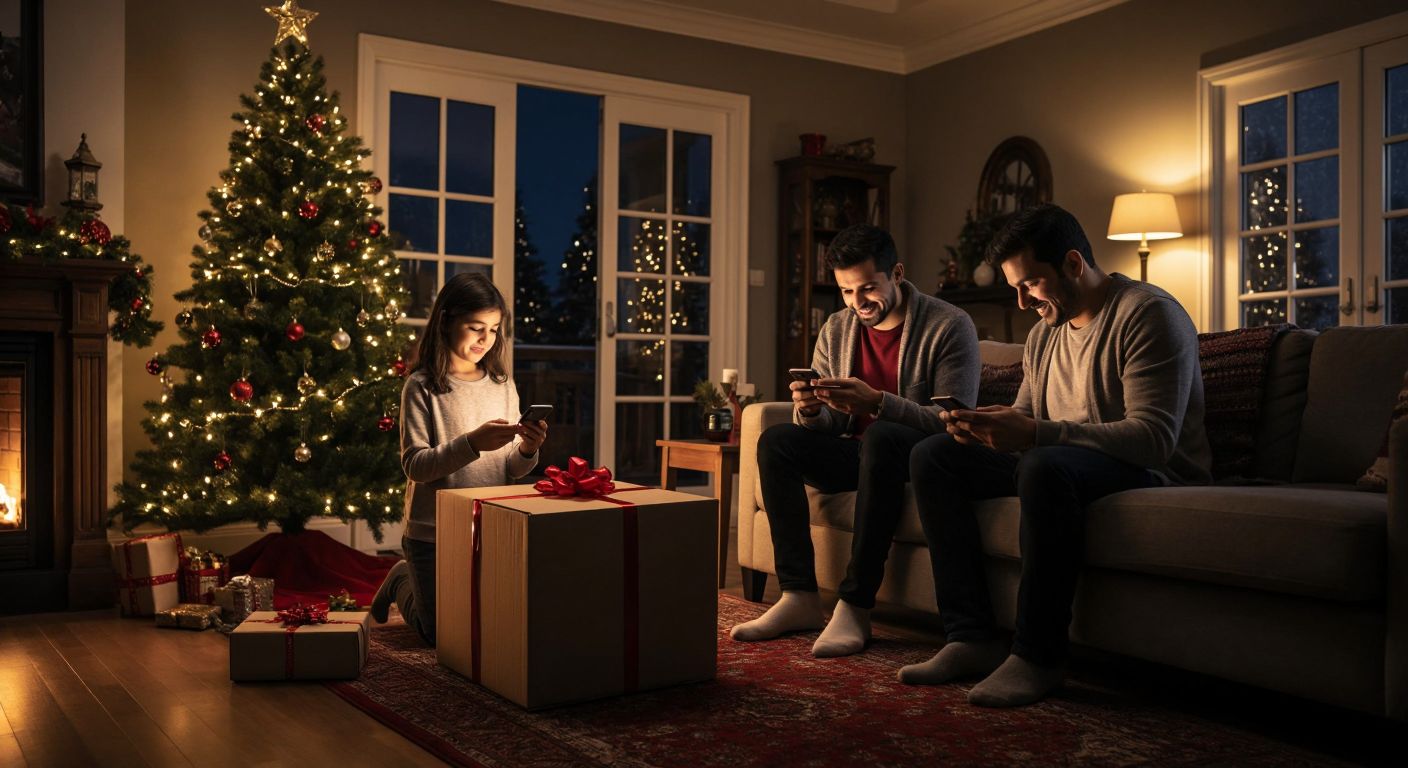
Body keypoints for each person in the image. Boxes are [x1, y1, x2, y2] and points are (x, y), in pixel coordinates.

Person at [899, 203, 1211, 706]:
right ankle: (970, 636)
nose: (1022, 302)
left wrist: (1036, 433)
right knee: (935, 455)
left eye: (1030, 284)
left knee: (1044, 465)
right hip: (1063, 462)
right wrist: (983, 425)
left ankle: (1038, 657)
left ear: (1071, 263)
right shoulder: (1046, 331)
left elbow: (1154, 439)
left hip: (1149, 470)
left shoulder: (1148, 313)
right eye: (1015, 288)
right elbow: (1028, 413)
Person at [729, 224, 980, 657]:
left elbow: (952, 423)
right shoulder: (836, 328)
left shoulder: (949, 325)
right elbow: (827, 424)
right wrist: (810, 411)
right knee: (777, 441)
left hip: (912, 456)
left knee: (882, 435)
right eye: (846, 292)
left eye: (867, 289)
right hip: (855, 452)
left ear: (897, 273)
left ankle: (856, 604)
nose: (857, 303)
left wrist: (879, 402)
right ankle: (799, 597)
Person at [369, 272, 547, 645]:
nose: (486, 339)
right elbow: (415, 465)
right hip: (432, 531)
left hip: (489, 526)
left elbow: (511, 468)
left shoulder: (502, 385)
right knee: (439, 634)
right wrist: (472, 443)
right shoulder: (422, 387)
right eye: (475, 327)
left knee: (487, 623)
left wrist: (528, 449)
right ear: (447, 321)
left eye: (495, 329)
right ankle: (401, 578)